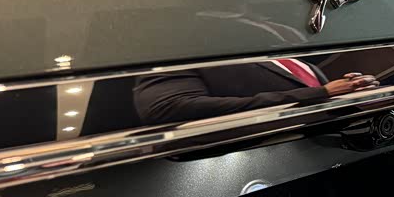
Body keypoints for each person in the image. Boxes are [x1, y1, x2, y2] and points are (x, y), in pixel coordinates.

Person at [133, 59, 378, 125]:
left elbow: (328, 99)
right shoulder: (181, 52)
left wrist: (357, 88)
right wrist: (321, 92)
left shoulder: (302, 61)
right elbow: (166, 108)